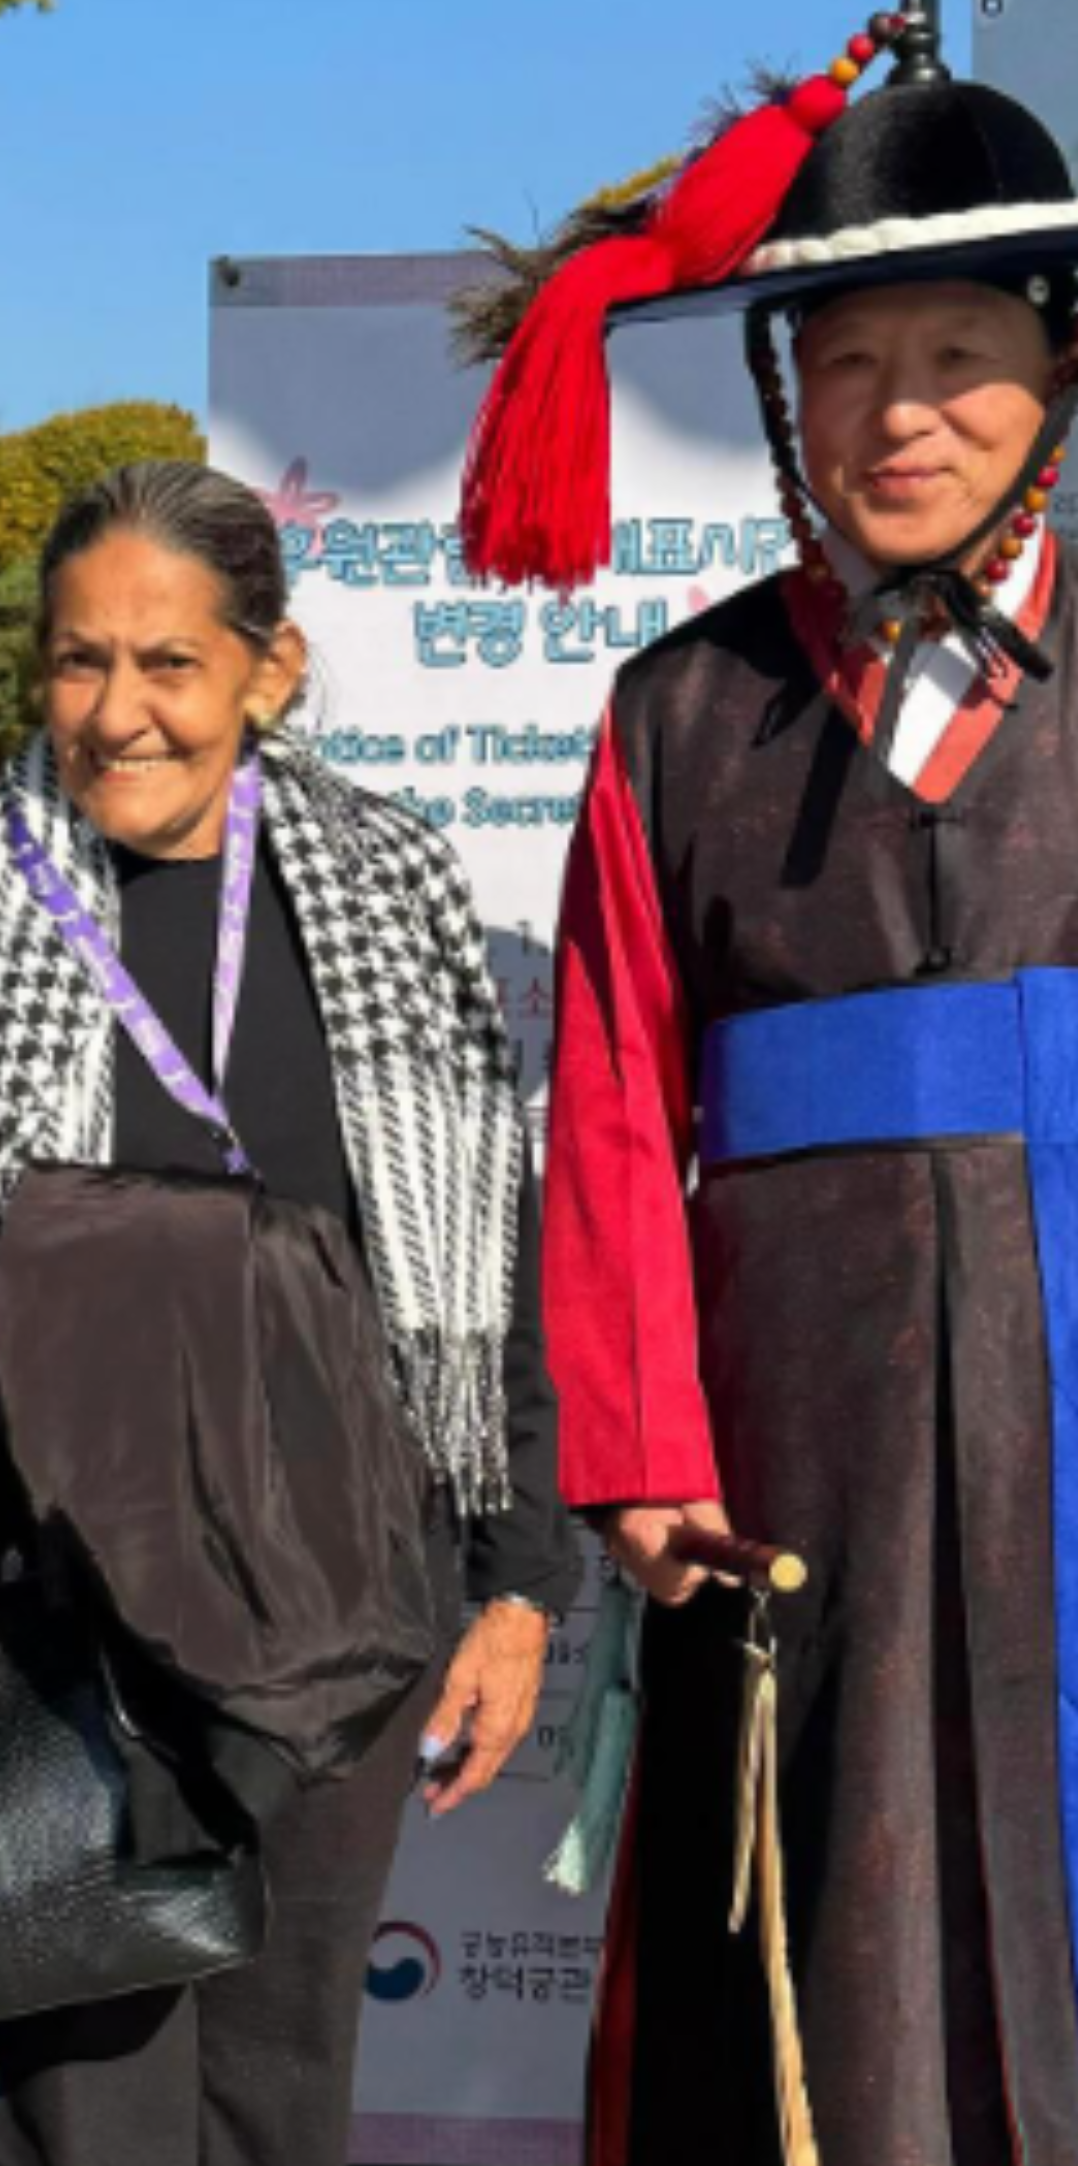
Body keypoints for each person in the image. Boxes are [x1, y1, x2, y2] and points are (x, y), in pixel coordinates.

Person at [467, 16, 1078, 2158]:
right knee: (833, 1888)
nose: (901, 413)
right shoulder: (677, 714)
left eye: (959, 352)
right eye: (845, 361)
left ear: (1061, 368)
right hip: (792, 1428)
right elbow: (616, 1101)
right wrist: (638, 1445)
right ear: (779, 392)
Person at [0, 462, 570, 2166]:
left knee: (281, 2084)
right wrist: (135, 1326)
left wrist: (518, 1583)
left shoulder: (392, 899)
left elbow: (490, 1279)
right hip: (61, 1614)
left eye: (168, 663)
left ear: (271, 668)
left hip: (348, 1612)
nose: (117, 714)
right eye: (77, 661)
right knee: (75, 2105)